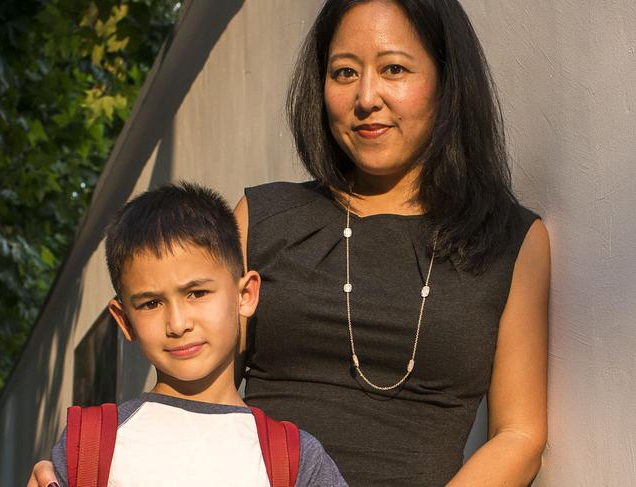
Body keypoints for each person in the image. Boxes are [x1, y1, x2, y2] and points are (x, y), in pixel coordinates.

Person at [30, 1, 549, 486]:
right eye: (344, 72)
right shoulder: (264, 217)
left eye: (394, 69)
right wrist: (87, 464)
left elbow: (520, 436)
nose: (366, 98)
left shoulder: (509, 241)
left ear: (446, 80)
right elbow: (189, 387)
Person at [47, 183, 347, 486]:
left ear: (245, 294)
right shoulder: (87, 446)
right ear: (124, 320)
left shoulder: (295, 460)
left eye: (197, 293)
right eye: (151, 303)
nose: (177, 324)